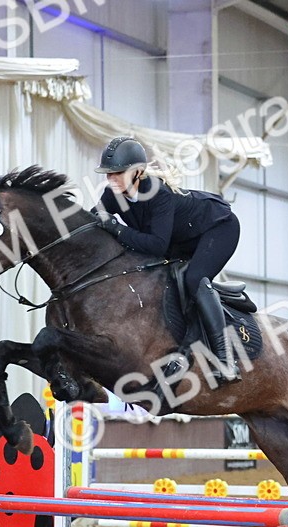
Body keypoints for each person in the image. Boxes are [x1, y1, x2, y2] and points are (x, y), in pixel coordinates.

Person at [94, 136, 242, 382]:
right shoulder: (113, 195)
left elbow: (157, 245)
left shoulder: (158, 194)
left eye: (117, 173)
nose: (111, 179)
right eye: (108, 174)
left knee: (195, 279)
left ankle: (226, 359)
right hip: (181, 239)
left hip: (218, 228)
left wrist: (117, 229)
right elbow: (95, 221)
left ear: (138, 172)